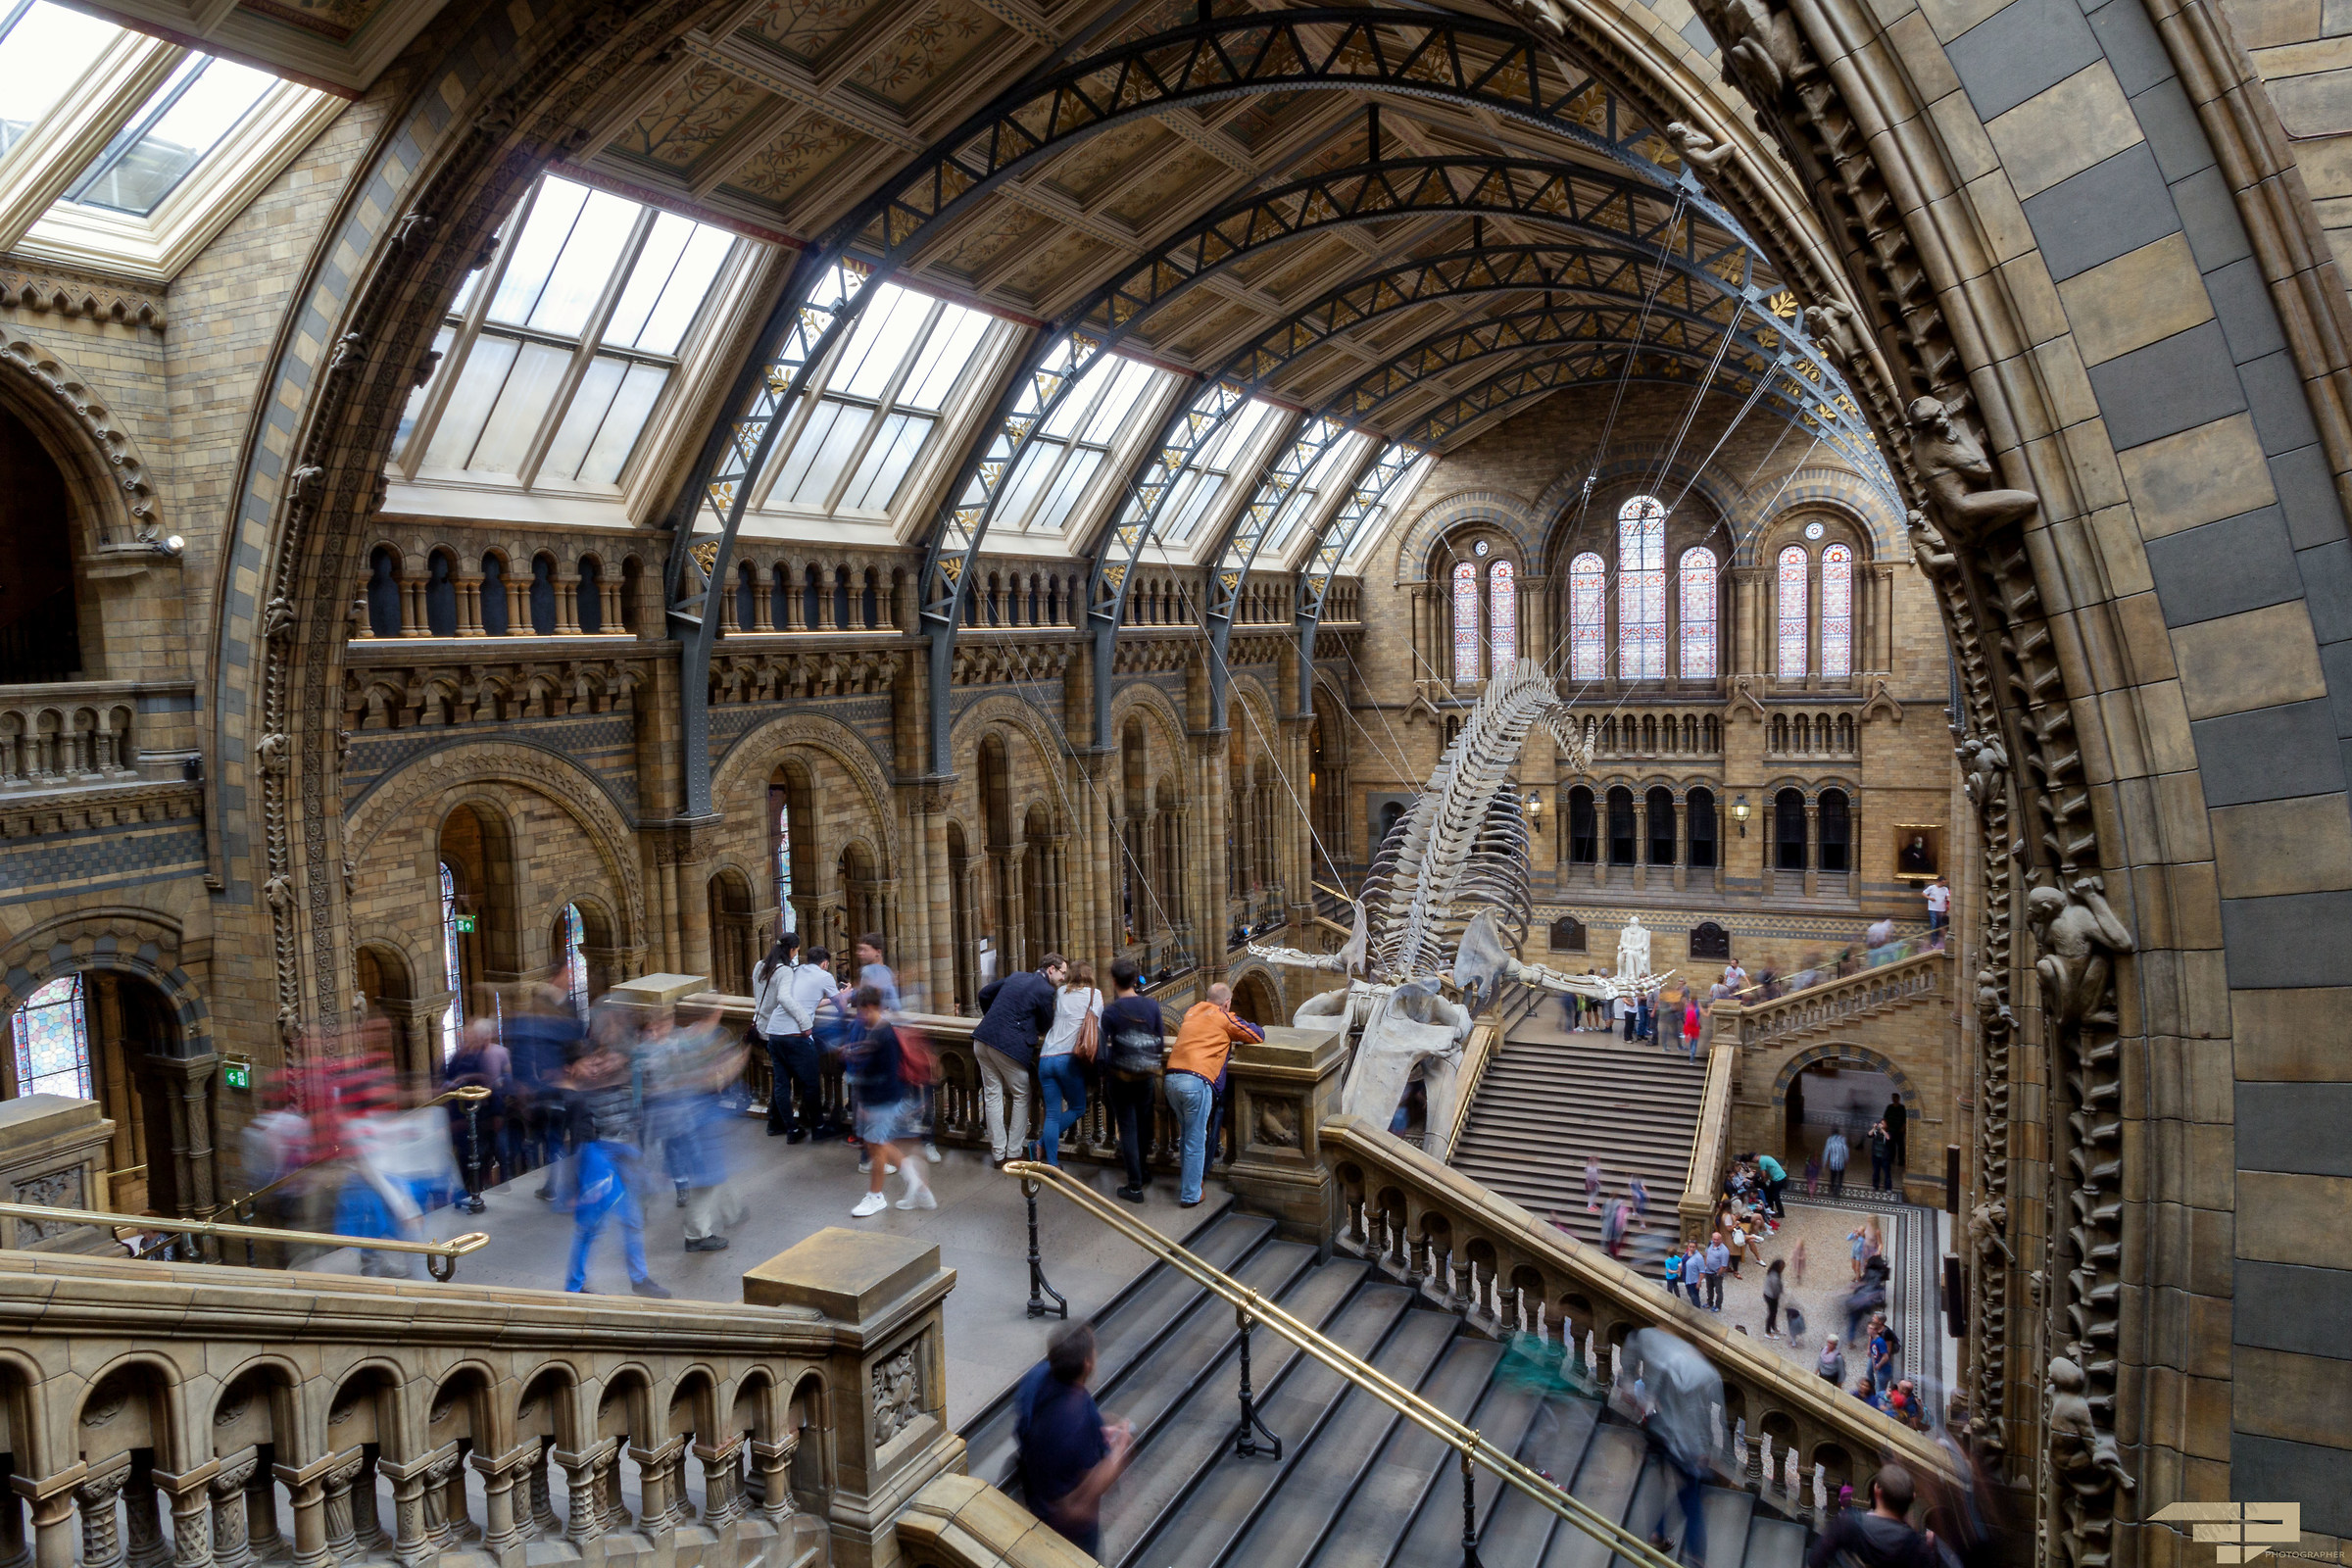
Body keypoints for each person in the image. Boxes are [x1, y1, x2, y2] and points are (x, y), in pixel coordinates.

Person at [562, 1021, 671, 1298]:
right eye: (593, 1060)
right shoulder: (580, 1085)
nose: (598, 1064)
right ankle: (574, 1286)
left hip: (624, 1150)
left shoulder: (619, 1066)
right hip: (599, 1155)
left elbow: (641, 1090)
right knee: (593, 1225)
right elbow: (579, 1132)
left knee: (630, 1218)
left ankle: (639, 1279)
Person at [1013, 1322, 1133, 1557]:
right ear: (1088, 1364)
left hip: (1035, 1495)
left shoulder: (1036, 1378)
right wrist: (1119, 1450)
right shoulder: (1078, 1416)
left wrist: (1099, 1429)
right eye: (1094, 1350)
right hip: (1068, 1529)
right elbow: (1082, 1499)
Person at [1626, 1328, 1720, 1565]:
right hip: (1685, 1447)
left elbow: (1652, 1395)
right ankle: (1695, 1558)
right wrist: (1704, 1451)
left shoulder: (1669, 1357)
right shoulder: (1703, 1373)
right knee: (1692, 1502)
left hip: (1666, 1439)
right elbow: (1700, 1417)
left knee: (1686, 1494)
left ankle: (1658, 1535)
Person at [1165, 983, 1262, 1207]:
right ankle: (1190, 1194)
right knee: (1195, 1139)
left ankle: (1191, 1182)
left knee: (1187, 1136)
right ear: (1227, 1003)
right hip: (1196, 1081)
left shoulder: (1192, 1012)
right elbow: (1255, 1035)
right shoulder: (1223, 1017)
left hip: (1171, 1079)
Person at [845, 987, 933, 1216]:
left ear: (872, 1007)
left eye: (862, 1010)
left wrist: (872, 1104)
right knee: (877, 1144)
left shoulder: (884, 1034)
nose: (860, 1015)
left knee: (878, 1146)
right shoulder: (872, 1029)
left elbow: (887, 1072)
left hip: (884, 1100)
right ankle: (920, 1187)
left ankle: (876, 1196)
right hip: (875, 1100)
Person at [974, 953, 1067, 1165]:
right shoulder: (1045, 990)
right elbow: (1046, 1025)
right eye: (1062, 972)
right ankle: (1014, 1152)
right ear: (1051, 969)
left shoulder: (1017, 976)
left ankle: (998, 1154)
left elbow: (984, 994)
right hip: (1006, 1046)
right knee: (1022, 1093)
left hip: (982, 1038)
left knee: (992, 1096)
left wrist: (996, 1018)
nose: (1063, 978)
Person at [754, 932, 829, 1142]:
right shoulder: (785, 971)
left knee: (781, 1082)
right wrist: (805, 1022)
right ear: (791, 949)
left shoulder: (759, 965)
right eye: (796, 950)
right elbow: (784, 998)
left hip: (764, 1029)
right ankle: (811, 1125)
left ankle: (780, 1125)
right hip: (783, 1028)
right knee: (806, 1081)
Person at [1100, 959, 1164, 1202]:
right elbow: (1159, 1037)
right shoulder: (1151, 1006)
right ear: (1136, 980)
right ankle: (1144, 1172)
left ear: (1114, 981)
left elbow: (1101, 1046)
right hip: (1146, 1073)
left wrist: (1105, 1072)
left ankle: (1135, 1186)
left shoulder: (1111, 1011)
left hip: (1121, 1076)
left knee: (1127, 1128)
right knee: (1143, 1125)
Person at [1034, 961, 1103, 1167]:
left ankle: (1052, 1164)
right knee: (1078, 1108)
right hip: (1068, 1060)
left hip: (1046, 1057)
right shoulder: (1094, 994)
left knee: (1052, 1115)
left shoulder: (1061, 991)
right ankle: (1040, 1144)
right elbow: (1097, 1026)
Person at [1805, 1464, 1939, 1567]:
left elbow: (1815, 1559)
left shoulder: (1847, 1523)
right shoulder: (1916, 1545)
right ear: (1913, 1498)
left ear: (1877, 1490)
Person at [1702, 1230, 1729, 1310]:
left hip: (1716, 1273)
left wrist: (1718, 1274)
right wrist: (1705, 1266)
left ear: (1721, 1239)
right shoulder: (1710, 1244)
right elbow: (1706, 1254)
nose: (1715, 1241)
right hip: (1708, 1272)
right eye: (1714, 1239)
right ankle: (1709, 1303)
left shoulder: (1724, 1251)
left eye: (1717, 1239)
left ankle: (1718, 1306)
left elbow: (1724, 1265)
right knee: (1709, 1289)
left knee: (1718, 1291)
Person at [1756, 1150, 1788, 1217]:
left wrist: (1763, 1180)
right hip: (1778, 1178)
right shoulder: (1765, 1157)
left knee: (1775, 1196)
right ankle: (1770, 1209)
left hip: (1778, 1179)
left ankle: (1781, 1213)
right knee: (1769, 1193)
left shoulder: (1761, 1161)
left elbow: (1763, 1174)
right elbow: (1769, 1171)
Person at [1761, 1256, 1787, 1338]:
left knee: (1774, 1312)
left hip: (1771, 1296)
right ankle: (1768, 1332)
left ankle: (1773, 1327)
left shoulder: (1774, 1272)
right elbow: (1775, 1288)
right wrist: (1779, 1294)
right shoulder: (1774, 1276)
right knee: (1771, 1314)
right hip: (1771, 1296)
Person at [1866, 1118, 1893, 1192]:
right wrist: (1874, 1128)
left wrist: (1883, 1130)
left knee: (1887, 1172)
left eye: (1883, 1123)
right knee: (1876, 1172)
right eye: (1880, 1123)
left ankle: (1888, 1187)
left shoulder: (1889, 1132)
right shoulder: (1876, 1132)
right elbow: (1869, 1134)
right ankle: (1875, 1186)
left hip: (1885, 1157)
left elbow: (1888, 1138)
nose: (1881, 1124)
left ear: (1886, 1125)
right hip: (1876, 1156)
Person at [1885, 1093, 1908, 1173]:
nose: (1894, 1099)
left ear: (1898, 1098)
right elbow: (1886, 1117)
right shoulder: (1890, 1107)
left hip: (1899, 1130)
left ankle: (1901, 1159)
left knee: (1900, 1145)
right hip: (1891, 1129)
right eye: (1893, 1098)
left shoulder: (1902, 1108)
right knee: (1891, 1145)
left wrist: (1903, 1127)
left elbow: (1905, 1119)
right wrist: (1886, 1126)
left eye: (1895, 1098)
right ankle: (1891, 1158)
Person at [1825, 1126, 1849, 1197]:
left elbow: (1826, 1151)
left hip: (1833, 1163)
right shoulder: (1843, 1139)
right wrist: (1846, 1159)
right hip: (1841, 1163)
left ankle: (1832, 1187)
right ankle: (1839, 1186)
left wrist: (1824, 1162)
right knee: (1840, 1176)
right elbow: (1846, 1150)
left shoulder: (1829, 1140)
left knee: (1833, 1176)